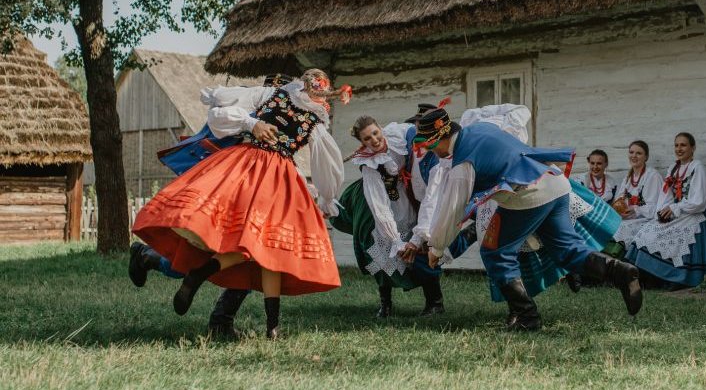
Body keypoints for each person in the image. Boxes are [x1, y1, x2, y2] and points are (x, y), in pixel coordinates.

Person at [132, 69, 347, 339]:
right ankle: (148, 257)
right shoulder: (263, 99)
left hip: (270, 182)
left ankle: (224, 320)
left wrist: (323, 199)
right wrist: (251, 124)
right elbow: (220, 115)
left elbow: (319, 166)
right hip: (240, 176)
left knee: (260, 248)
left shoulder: (314, 122)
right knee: (204, 245)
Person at [419, 107, 642, 331]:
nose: (429, 151)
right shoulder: (482, 128)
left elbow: (452, 210)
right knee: (566, 249)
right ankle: (620, 271)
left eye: (428, 145)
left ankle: (527, 316)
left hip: (528, 194)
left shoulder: (462, 164)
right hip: (555, 183)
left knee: (495, 251)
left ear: (438, 139)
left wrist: (437, 249)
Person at [330, 114, 462, 318]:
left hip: (408, 194)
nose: (374, 140)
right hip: (383, 203)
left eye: (375, 133)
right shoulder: (370, 165)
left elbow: (417, 139)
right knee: (379, 251)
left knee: (421, 245)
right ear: (362, 142)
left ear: (380, 128)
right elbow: (379, 205)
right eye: (367, 138)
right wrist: (394, 240)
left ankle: (434, 302)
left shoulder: (398, 136)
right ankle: (386, 304)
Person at [624, 133, 706, 288]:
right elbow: (666, 195)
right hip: (675, 213)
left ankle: (672, 278)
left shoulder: (697, 167)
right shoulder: (673, 168)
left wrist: (675, 207)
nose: (679, 148)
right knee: (647, 232)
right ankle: (648, 278)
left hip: (693, 215)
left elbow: (699, 202)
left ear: (693, 148)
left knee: (668, 236)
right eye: (676, 145)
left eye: (683, 145)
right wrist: (661, 212)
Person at [608, 141, 663, 257]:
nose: (634, 156)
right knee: (607, 225)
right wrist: (618, 212)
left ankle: (616, 258)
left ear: (646, 157)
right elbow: (618, 201)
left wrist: (636, 210)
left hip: (645, 219)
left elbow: (655, 207)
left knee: (623, 228)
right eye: (631, 152)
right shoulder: (628, 178)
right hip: (628, 218)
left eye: (639, 153)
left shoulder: (653, 176)